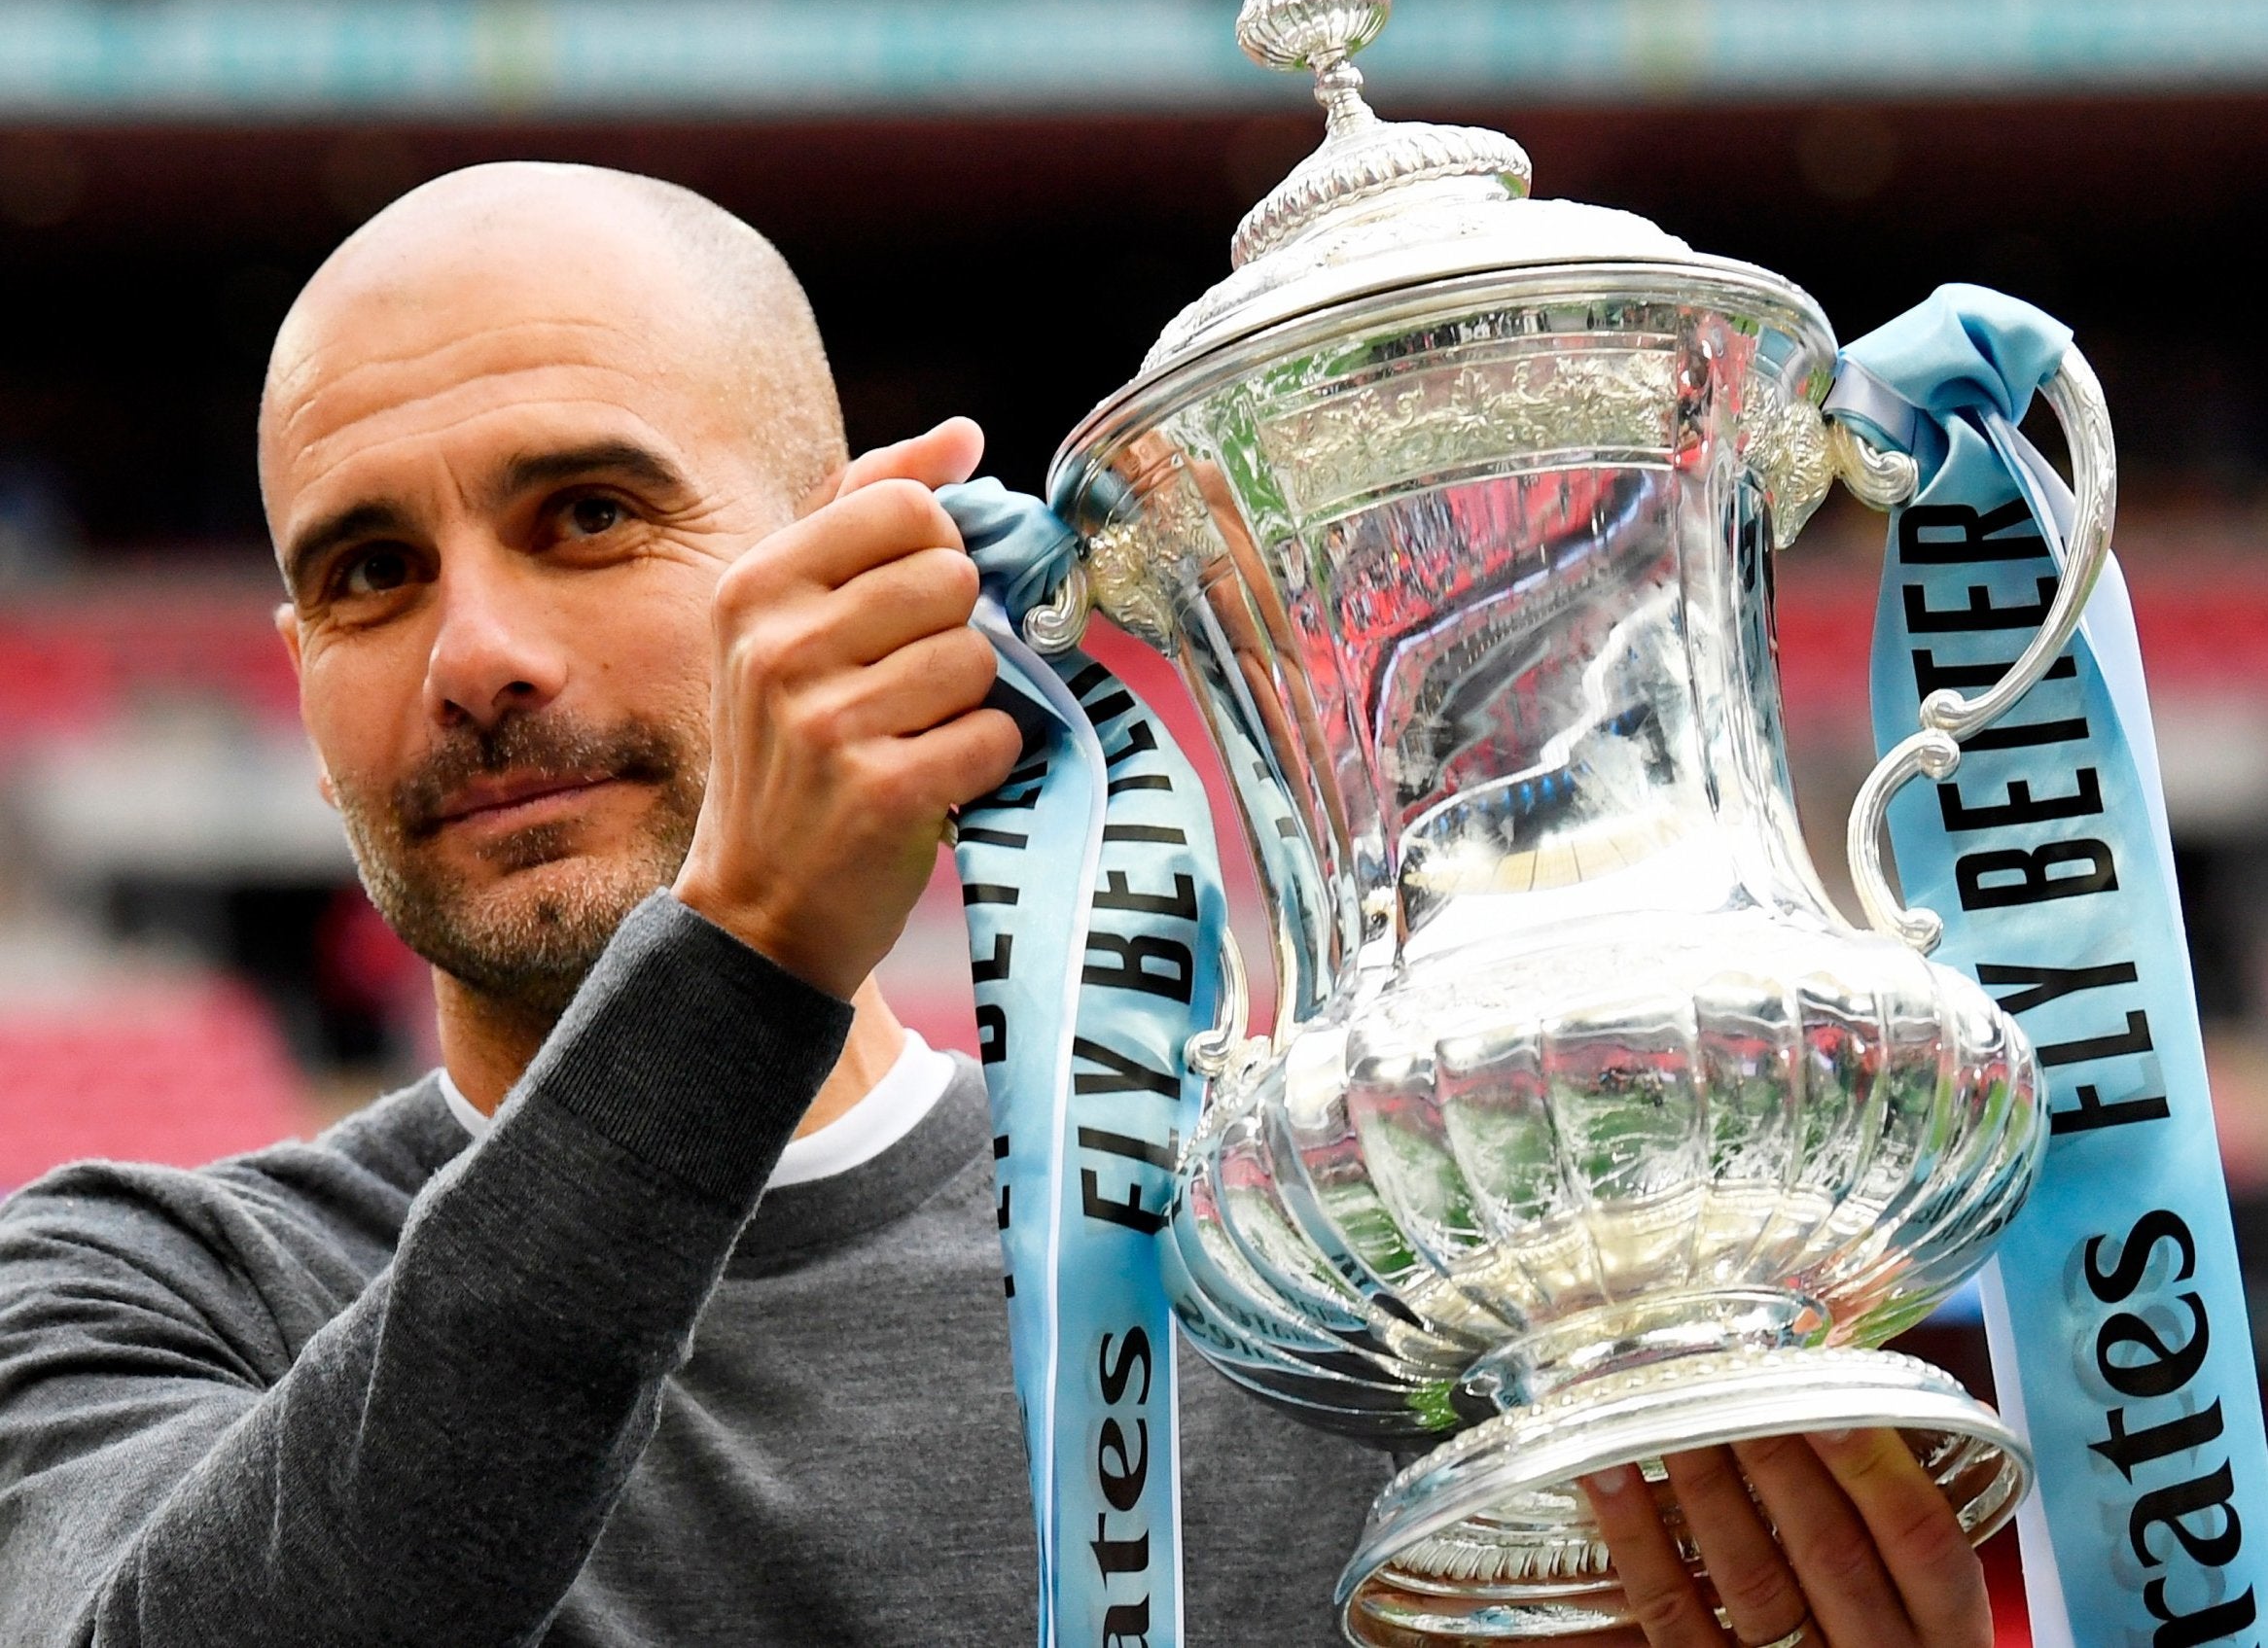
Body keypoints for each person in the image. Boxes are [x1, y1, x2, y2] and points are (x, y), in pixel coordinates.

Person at [0, 162, 1993, 1648]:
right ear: (291, 662)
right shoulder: (136, 1289)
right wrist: (744, 953)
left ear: (858, 557)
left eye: (587, 513)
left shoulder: (1318, 1282)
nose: (479, 651)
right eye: (366, 573)